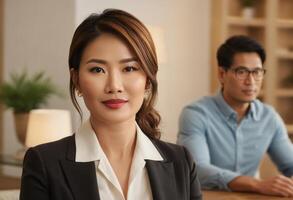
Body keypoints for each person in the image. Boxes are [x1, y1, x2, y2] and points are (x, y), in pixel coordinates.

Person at [20, 9, 202, 200]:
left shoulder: (181, 162)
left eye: (129, 68)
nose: (114, 86)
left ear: (148, 80)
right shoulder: (43, 164)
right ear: (76, 80)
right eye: (97, 69)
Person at [177, 35, 293, 197]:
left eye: (257, 72)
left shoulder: (269, 117)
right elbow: (198, 169)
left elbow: (290, 164)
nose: (251, 81)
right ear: (222, 74)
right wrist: (257, 184)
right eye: (242, 72)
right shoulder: (195, 114)